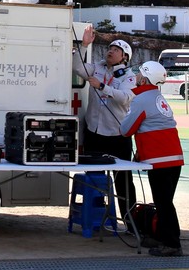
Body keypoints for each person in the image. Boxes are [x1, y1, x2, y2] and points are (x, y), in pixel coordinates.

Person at [72, 24, 138, 229]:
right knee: (95, 178)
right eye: (110, 48)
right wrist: (83, 46)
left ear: (125, 57)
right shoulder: (98, 67)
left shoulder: (129, 76)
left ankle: (130, 221)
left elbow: (126, 98)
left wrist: (103, 87)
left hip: (118, 135)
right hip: (95, 132)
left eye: (116, 50)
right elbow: (78, 68)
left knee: (124, 181)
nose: (110, 51)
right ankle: (97, 219)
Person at [119, 60, 184, 256]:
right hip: (173, 157)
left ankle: (172, 244)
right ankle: (164, 237)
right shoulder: (157, 97)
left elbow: (125, 130)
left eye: (139, 74)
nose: (136, 77)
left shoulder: (141, 100)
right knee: (165, 201)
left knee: (163, 202)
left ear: (144, 78)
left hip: (160, 159)